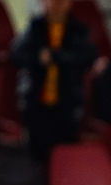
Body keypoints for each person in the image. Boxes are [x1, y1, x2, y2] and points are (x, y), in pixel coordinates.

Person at [10, 0, 97, 160]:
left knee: (65, 150)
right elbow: (17, 54)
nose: (57, 5)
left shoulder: (77, 29)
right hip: (37, 100)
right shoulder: (35, 27)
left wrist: (56, 56)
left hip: (67, 101)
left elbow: (87, 56)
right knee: (37, 151)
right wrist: (38, 58)